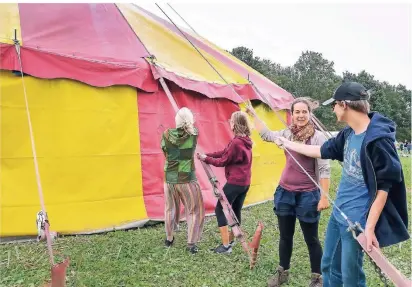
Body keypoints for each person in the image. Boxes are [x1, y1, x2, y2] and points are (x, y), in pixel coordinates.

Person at [275, 82, 409, 287]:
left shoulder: (378, 139)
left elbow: (385, 187)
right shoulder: (347, 134)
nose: (333, 109)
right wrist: (287, 143)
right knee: (328, 265)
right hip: (339, 214)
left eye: (334, 105)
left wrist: (370, 227)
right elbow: (321, 151)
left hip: (357, 221)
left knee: (351, 276)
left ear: (344, 105)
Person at [248, 98, 331, 287]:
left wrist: (324, 197)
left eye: (304, 112)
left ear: (310, 114)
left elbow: (325, 169)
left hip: (308, 194)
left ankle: (317, 277)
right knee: (286, 236)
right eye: (297, 112)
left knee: (311, 238)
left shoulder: (317, 138)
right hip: (285, 192)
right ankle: (282, 272)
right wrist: (254, 115)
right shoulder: (287, 133)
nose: (300, 115)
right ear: (291, 114)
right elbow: (267, 135)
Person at [197, 111, 253, 254]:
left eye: (231, 121)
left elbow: (223, 161)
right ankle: (232, 240)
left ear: (236, 124)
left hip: (235, 182)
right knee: (235, 210)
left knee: (219, 209)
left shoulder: (236, 142)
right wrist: (207, 155)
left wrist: (206, 159)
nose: (230, 123)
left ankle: (226, 245)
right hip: (245, 183)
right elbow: (224, 152)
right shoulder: (245, 140)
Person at [161, 107, 205, 254]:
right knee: (193, 210)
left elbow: (165, 152)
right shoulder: (194, 134)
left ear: (176, 120)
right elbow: (191, 131)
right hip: (187, 179)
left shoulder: (166, 134)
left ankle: (169, 239)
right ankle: (191, 244)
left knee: (169, 209)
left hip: (169, 178)